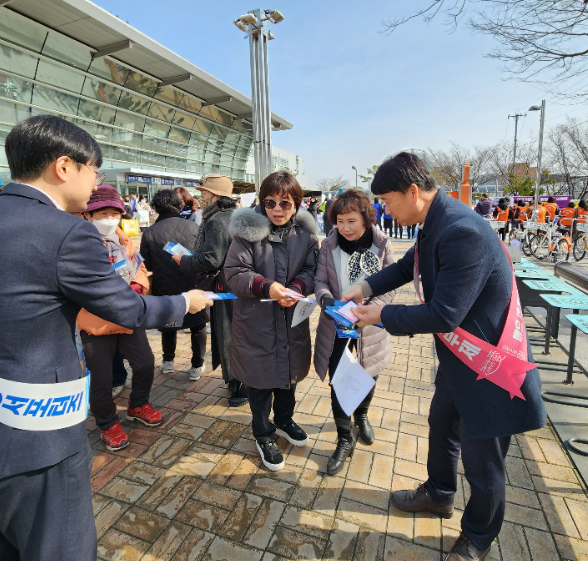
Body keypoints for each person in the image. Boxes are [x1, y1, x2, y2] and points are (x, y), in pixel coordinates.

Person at [0, 115, 212, 561]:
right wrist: (185, 303)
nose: (95, 182)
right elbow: (127, 308)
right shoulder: (65, 231)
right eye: (93, 169)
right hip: (31, 448)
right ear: (63, 166)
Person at [343, 152, 546, 561]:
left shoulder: (461, 230)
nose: (384, 209)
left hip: (489, 369)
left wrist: (381, 314)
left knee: (482, 460)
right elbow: (408, 266)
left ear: (413, 192)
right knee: (442, 424)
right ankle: (439, 493)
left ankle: (477, 537)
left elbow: (443, 314)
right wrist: (364, 288)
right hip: (459, 363)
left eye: (387, 200)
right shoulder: (435, 220)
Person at [224, 171, 319, 472]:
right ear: (262, 202)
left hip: (292, 319)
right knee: (260, 382)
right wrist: (267, 287)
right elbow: (235, 274)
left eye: (285, 203)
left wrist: (298, 288)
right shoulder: (246, 233)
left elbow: (312, 268)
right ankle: (262, 432)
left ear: (297, 205)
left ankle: (284, 420)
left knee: (288, 378)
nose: (277, 209)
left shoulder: (305, 235)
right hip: (257, 322)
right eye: (270, 202)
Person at [313, 189, 394, 475]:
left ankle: (362, 416)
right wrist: (326, 301)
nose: (345, 228)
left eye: (351, 221)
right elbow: (320, 280)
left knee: (368, 375)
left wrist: (371, 313)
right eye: (340, 221)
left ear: (366, 218)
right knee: (339, 380)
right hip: (335, 326)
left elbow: (390, 285)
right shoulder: (329, 245)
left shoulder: (382, 244)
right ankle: (344, 438)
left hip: (370, 326)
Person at [77, 185, 162, 452]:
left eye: (115, 212)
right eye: (103, 212)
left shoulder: (124, 240)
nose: (109, 218)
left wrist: (139, 286)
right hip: (95, 324)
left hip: (127, 318)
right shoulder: (78, 242)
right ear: (89, 215)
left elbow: (140, 268)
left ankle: (138, 404)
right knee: (101, 377)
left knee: (145, 362)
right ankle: (106, 422)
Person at [173, 175, 246, 404]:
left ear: (215, 195)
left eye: (204, 193)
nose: (201, 197)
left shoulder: (215, 220)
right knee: (241, 333)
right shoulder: (238, 215)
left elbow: (212, 259)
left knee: (227, 333)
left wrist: (184, 261)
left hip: (226, 285)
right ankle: (241, 380)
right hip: (241, 282)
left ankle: (236, 385)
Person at [141, 189, 208, 380]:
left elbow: (146, 264)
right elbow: (202, 256)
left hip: (165, 285)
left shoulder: (150, 232)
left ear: (155, 208)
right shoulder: (193, 227)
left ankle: (168, 361)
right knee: (197, 324)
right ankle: (197, 365)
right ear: (178, 205)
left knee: (168, 322)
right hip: (193, 283)